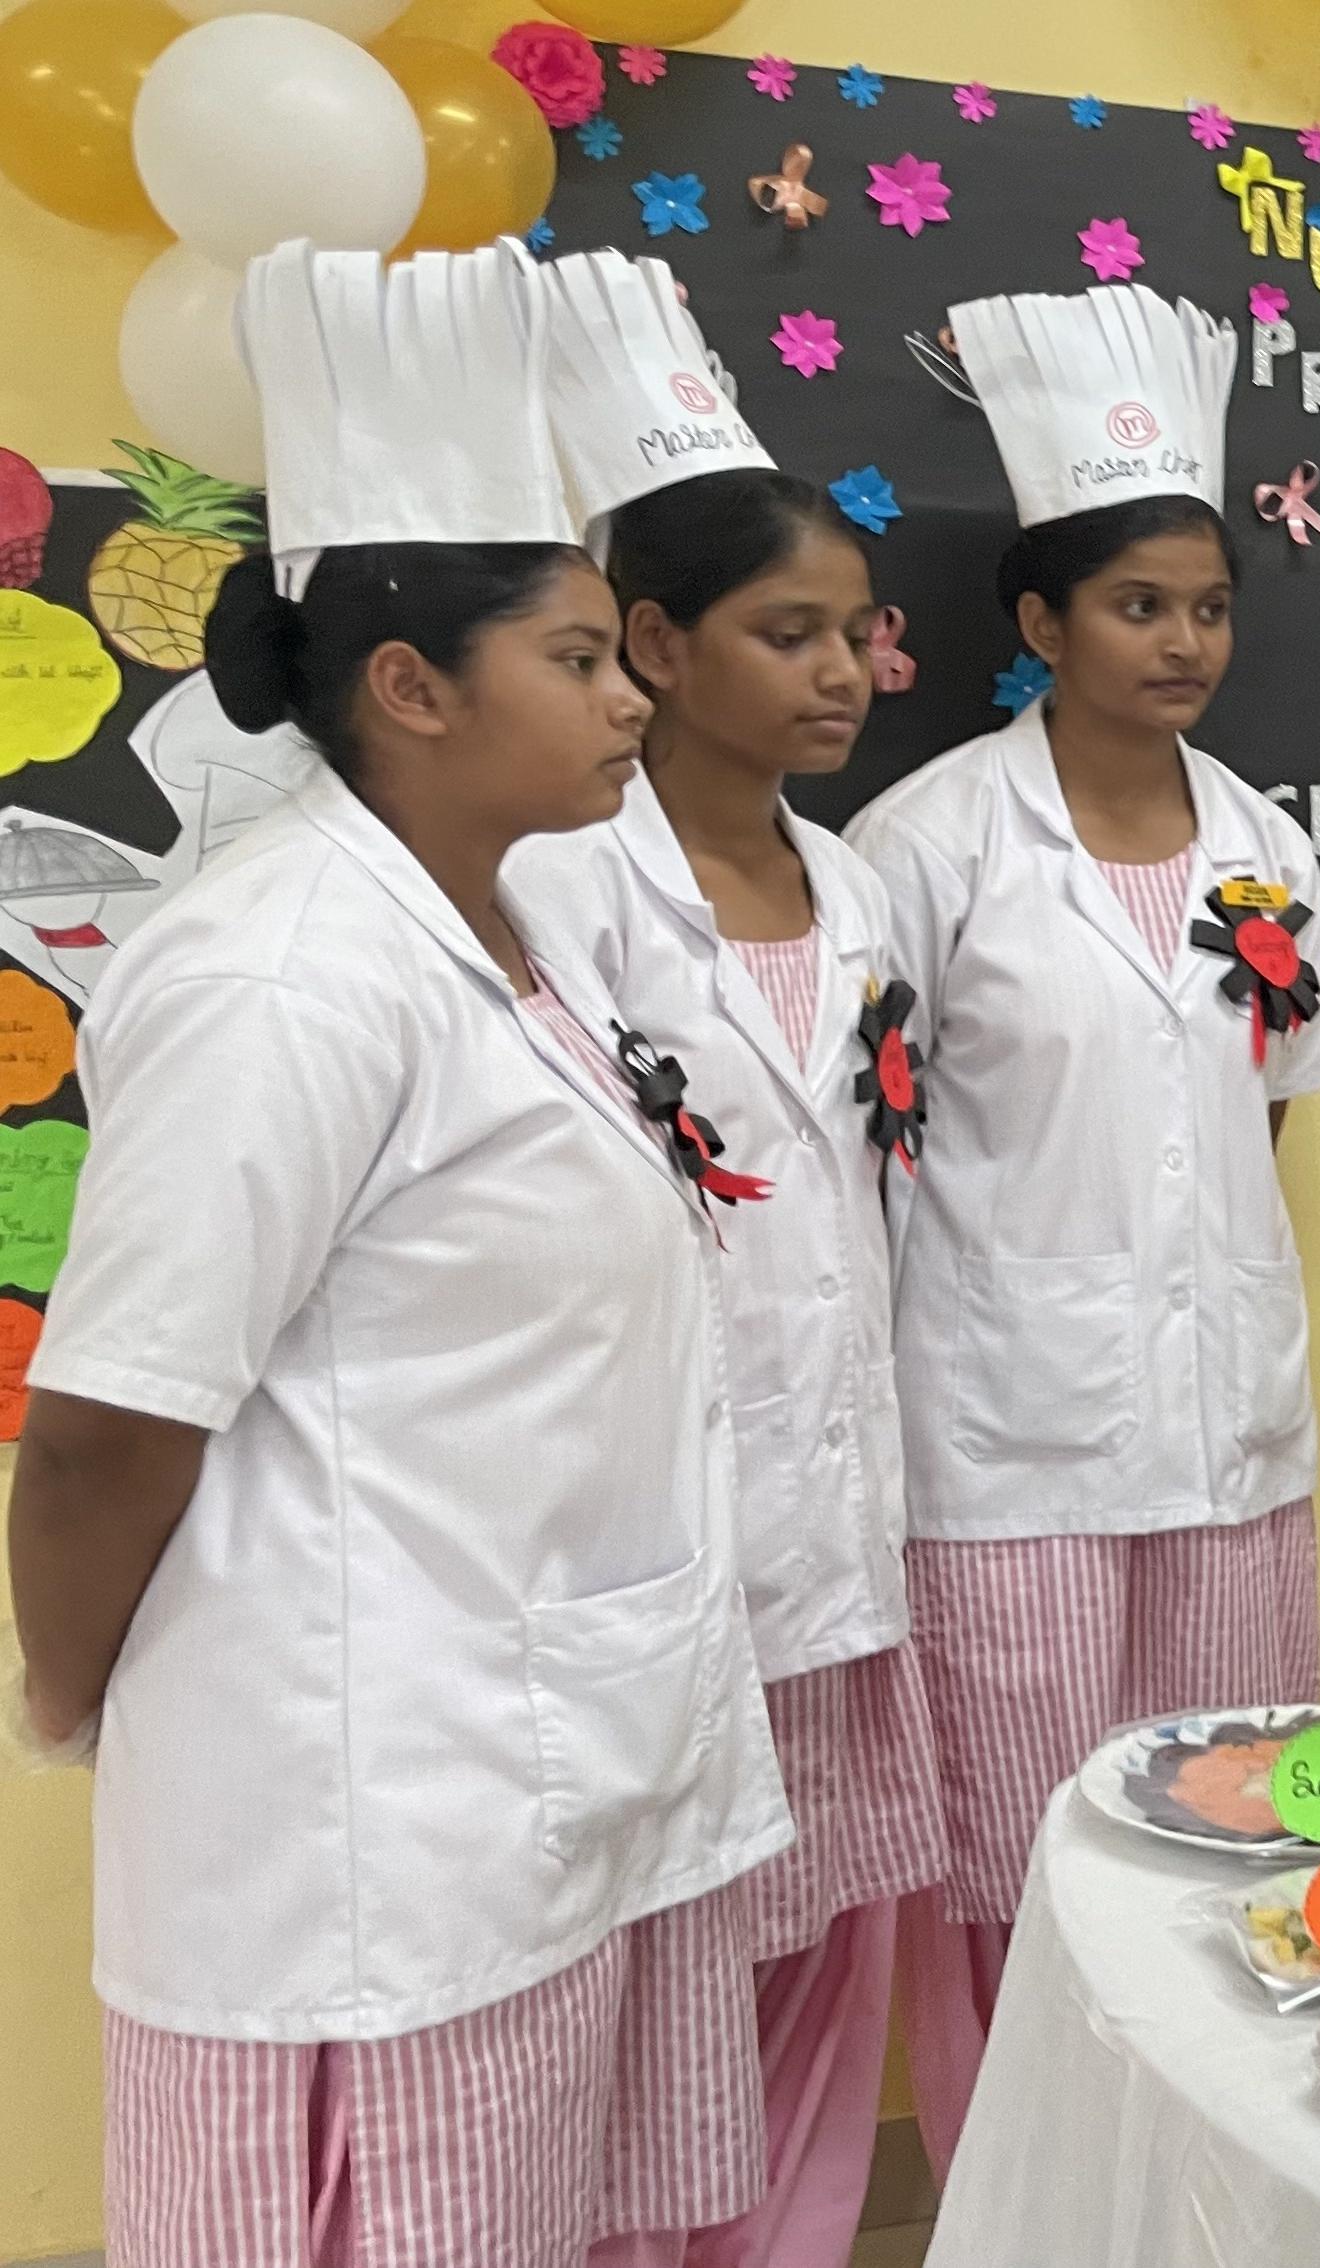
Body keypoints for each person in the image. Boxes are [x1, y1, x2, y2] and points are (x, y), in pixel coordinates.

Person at [6, 240, 785, 2267]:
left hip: (535, 1763)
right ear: (411, 687)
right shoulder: (282, 974)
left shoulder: (522, 928)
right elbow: (102, 1428)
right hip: (366, 1816)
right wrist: (95, 1700)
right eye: (579, 659)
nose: (633, 697)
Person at [842, 283, 1320, 2167]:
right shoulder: (926, 848)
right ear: (1042, 623)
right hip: (1005, 1446)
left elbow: (1263, 1112)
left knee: (1230, 1828)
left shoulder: (1268, 847)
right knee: (1020, 1852)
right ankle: (1021, 2193)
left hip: (1227, 1436)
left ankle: (1210, 2181)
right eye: (1139, 605)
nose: (1184, 641)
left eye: (1209, 605)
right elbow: (870, 1151)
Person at [520, 250, 948, 2268]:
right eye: (791, 634)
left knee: (831, 1953)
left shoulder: (856, 887)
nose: (843, 672)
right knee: (677, 1997)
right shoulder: (563, 890)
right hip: (662, 1531)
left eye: (856, 633)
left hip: (838, 1532)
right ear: (655, 645)